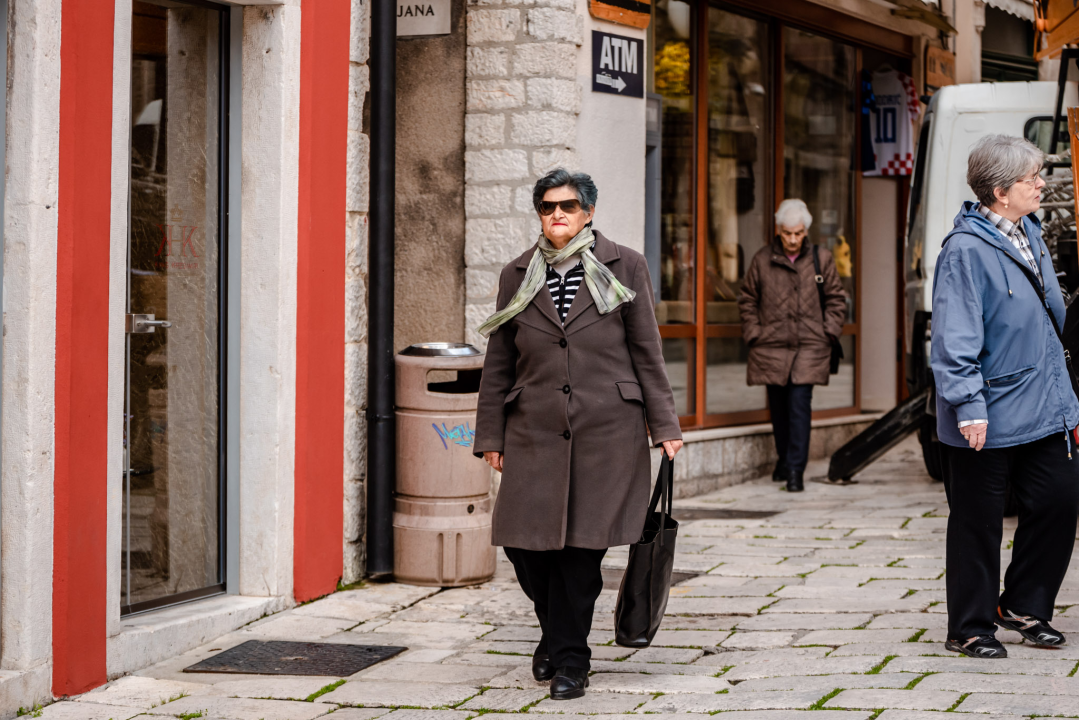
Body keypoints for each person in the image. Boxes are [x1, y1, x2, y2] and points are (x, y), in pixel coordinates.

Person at [473, 168, 682, 699]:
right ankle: (555, 632)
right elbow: (499, 362)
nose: (557, 214)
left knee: (579, 554)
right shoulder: (517, 273)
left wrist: (665, 425)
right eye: (547, 207)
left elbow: (647, 353)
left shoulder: (625, 265)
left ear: (588, 211)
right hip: (534, 432)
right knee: (525, 549)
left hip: (607, 433)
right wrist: (490, 434)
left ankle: (571, 659)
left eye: (567, 206)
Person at [931, 134, 1079, 658]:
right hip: (986, 411)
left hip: (1045, 404)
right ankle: (969, 627)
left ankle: (1022, 604)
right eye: (1030, 179)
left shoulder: (1030, 232)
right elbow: (954, 339)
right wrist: (968, 406)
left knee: (1060, 501)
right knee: (978, 521)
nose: (1041, 184)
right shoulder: (965, 251)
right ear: (998, 191)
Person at [738, 199, 847, 492]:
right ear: (779, 230)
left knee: (799, 405)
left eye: (798, 233)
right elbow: (747, 298)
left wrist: (828, 333)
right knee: (779, 409)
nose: (793, 239)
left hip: (810, 347)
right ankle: (785, 459)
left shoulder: (821, 258)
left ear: (805, 231)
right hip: (770, 347)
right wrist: (754, 333)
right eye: (787, 233)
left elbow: (837, 299)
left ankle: (795, 471)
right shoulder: (762, 259)